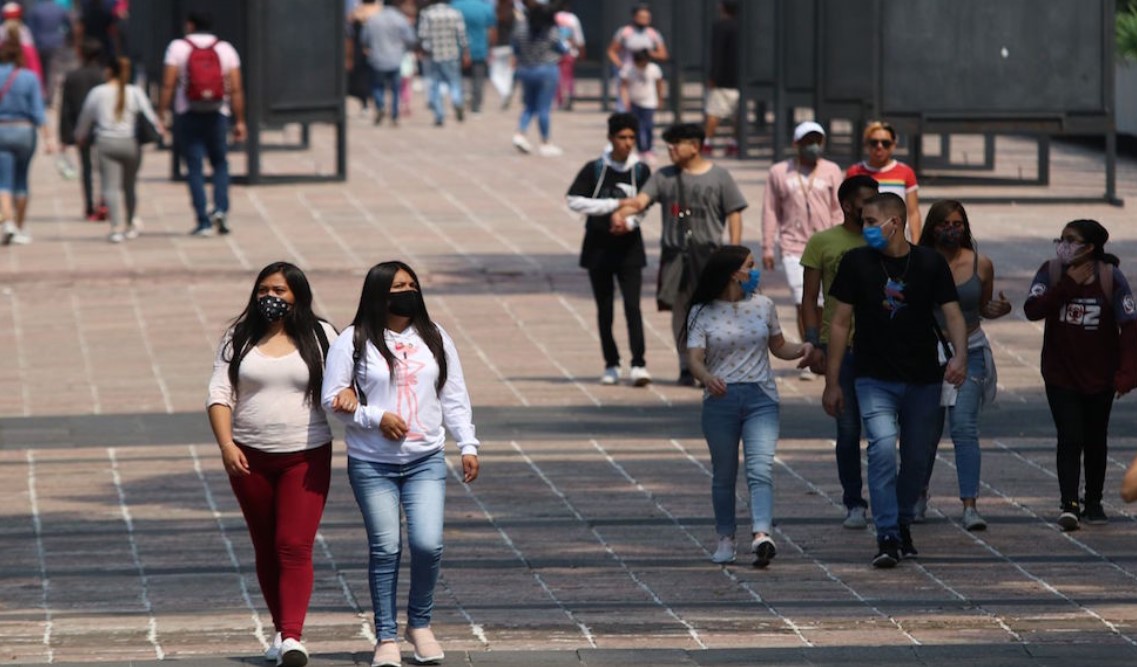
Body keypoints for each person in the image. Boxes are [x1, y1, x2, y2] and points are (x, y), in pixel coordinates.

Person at [322, 261, 480, 667]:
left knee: (428, 544)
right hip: (372, 464)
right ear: (378, 293)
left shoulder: (435, 336)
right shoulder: (354, 340)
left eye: (411, 285)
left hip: (426, 460)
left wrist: (467, 443)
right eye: (397, 287)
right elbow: (332, 400)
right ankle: (386, 636)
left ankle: (420, 624)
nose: (407, 292)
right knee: (386, 547)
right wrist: (375, 417)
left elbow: (454, 395)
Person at [822, 192, 967, 568]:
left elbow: (952, 313)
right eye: (864, 222)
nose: (866, 228)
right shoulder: (855, 262)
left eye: (872, 222)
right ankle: (886, 532)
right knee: (882, 449)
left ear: (895, 222)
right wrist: (832, 381)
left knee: (917, 459)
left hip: (923, 378)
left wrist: (961, 356)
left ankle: (902, 521)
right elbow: (839, 323)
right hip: (873, 377)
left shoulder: (929, 262)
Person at [207, 262, 339, 667]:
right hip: (250, 458)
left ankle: (293, 636)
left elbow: (346, 383)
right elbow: (219, 394)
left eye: (279, 291)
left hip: (307, 456)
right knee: (266, 546)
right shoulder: (238, 337)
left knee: (293, 544)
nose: (271, 297)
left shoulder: (321, 335)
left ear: (298, 295)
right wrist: (226, 445)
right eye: (264, 289)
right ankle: (282, 631)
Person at [685, 245, 813, 566]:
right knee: (724, 474)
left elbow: (779, 346)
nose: (755, 272)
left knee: (760, 469)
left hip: (761, 398)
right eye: (750, 266)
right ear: (734, 273)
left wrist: (804, 349)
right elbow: (695, 359)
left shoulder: (763, 305)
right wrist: (707, 378)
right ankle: (725, 538)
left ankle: (761, 534)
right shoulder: (702, 311)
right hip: (721, 400)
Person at [611, 122, 747, 386]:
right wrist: (620, 213)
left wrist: (735, 253)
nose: (671, 149)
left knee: (711, 311)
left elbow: (734, 213)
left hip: (709, 254)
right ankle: (686, 365)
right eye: (669, 144)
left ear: (694, 146)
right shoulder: (664, 177)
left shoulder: (720, 177)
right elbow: (640, 202)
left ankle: (708, 365)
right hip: (675, 255)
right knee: (681, 311)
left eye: (676, 144)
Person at [1024, 219, 1137, 531]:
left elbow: (1129, 327)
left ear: (1089, 247)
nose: (1064, 245)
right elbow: (1033, 309)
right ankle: (1069, 503)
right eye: (1061, 239)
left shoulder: (1110, 277)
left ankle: (1094, 501)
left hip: (1100, 376)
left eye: (1071, 240)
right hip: (1060, 374)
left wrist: (1128, 373)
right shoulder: (1050, 272)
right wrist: (1068, 286)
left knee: (1096, 438)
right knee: (1070, 436)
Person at [914, 201, 1012, 530]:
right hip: (927, 352)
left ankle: (970, 505)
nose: (951, 230)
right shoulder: (919, 261)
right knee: (925, 432)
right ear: (932, 228)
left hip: (970, 349)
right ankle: (917, 495)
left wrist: (997, 309)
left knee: (964, 428)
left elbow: (982, 306)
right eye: (944, 224)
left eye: (957, 224)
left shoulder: (981, 264)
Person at [800, 174, 879, 529]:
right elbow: (810, 298)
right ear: (847, 205)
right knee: (847, 431)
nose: (871, 207)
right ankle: (853, 501)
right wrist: (813, 341)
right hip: (839, 348)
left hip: (881, 347)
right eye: (865, 201)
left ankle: (888, 499)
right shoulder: (822, 242)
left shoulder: (884, 241)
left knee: (882, 432)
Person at [565, 112, 652, 387]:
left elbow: (645, 205)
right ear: (611, 138)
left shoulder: (641, 170)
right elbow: (573, 200)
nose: (627, 143)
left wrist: (629, 222)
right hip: (598, 247)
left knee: (632, 306)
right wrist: (613, 206)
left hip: (630, 248)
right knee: (605, 309)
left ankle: (638, 363)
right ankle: (611, 363)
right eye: (622, 137)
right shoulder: (595, 168)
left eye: (632, 137)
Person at [760, 121, 844, 363]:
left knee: (823, 301)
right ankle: (810, 349)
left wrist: (839, 241)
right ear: (796, 143)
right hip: (793, 246)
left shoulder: (831, 170)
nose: (813, 146)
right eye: (808, 141)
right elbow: (770, 210)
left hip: (826, 245)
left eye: (817, 141)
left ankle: (824, 348)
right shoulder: (779, 172)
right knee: (802, 299)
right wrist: (767, 246)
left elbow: (838, 208)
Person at [158, 10, 246, 237]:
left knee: (194, 167)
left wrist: (162, 113)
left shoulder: (178, 47)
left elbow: (168, 84)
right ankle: (220, 209)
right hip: (218, 112)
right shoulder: (225, 49)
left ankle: (203, 220)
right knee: (220, 163)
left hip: (187, 112)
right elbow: (236, 88)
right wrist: (240, 120)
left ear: (190, 25)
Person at [74, 56, 161, 243]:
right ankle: (131, 223)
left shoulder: (98, 93)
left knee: (110, 187)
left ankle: (116, 227)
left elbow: (85, 118)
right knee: (130, 186)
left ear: (108, 71)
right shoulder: (135, 92)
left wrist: (80, 135)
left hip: (106, 142)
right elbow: (151, 117)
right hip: (131, 143)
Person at [0, 25, 45, 247]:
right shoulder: (30, 77)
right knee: (22, 180)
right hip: (25, 131)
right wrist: (49, 136)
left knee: (3, 180)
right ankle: (19, 226)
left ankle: (8, 222)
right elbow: (38, 111)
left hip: (1, 130)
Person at [846, 121, 921, 241]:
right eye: (874, 142)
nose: (879, 146)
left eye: (885, 143)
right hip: (861, 239)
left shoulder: (906, 172)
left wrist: (916, 243)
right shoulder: (854, 172)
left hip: (896, 240)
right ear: (866, 144)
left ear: (893, 145)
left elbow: (913, 213)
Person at [509, 0, 565, 156]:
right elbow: (561, 48)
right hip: (546, 70)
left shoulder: (520, 28)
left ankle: (520, 134)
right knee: (543, 109)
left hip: (526, 69)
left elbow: (515, 48)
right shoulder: (551, 30)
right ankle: (545, 142)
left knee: (529, 106)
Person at [59, 36, 104, 221]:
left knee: (86, 168)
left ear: (80, 54)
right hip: (103, 127)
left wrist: (64, 136)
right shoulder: (104, 75)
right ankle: (104, 202)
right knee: (104, 168)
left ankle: (89, 206)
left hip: (81, 129)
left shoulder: (72, 77)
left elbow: (65, 108)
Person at [361, 0, 416, 127]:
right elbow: (411, 39)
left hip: (377, 59)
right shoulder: (400, 19)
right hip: (395, 58)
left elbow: (364, 39)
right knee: (395, 89)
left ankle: (380, 105)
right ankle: (394, 115)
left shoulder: (373, 19)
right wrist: (404, 48)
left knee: (377, 86)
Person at [606, 3, 666, 112]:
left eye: (647, 18)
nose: (644, 20)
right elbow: (611, 51)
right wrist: (620, 65)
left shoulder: (653, 34)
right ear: (634, 17)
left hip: (645, 72)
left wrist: (649, 54)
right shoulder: (625, 32)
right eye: (641, 17)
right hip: (628, 71)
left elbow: (663, 54)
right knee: (625, 102)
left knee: (645, 100)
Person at [418, 0, 470, 127]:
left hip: (434, 55)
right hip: (452, 54)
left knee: (435, 84)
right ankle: (457, 101)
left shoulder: (427, 13)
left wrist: (425, 50)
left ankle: (439, 115)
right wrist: (465, 52)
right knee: (454, 82)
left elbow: (422, 35)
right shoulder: (455, 13)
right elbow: (462, 36)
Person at [703, 0, 739, 155]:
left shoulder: (720, 26)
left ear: (722, 8)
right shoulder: (745, 27)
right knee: (738, 115)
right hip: (741, 80)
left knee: (714, 112)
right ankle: (734, 143)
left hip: (722, 79)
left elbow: (717, 53)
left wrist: (713, 76)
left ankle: (707, 142)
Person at [618, 49, 663, 163]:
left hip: (649, 101)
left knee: (648, 125)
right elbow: (623, 86)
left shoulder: (654, 69)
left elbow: (659, 85)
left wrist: (660, 99)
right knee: (636, 126)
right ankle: (641, 149)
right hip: (634, 101)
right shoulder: (628, 69)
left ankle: (648, 148)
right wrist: (625, 100)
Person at [452, 0, 495, 115]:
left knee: (460, 77)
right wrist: (491, 47)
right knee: (478, 80)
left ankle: (462, 98)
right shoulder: (486, 8)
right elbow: (491, 30)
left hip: (458, 49)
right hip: (480, 48)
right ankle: (476, 107)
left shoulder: (454, 6)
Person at [28, 0, 72, 108]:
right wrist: (64, 36)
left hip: (39, 44)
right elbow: (68, 25)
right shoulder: (60, 9)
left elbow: (31, 29)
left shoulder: (36, 9)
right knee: (52, 71)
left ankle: (40, 95)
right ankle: (50, 98)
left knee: (40, 70)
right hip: (56, 43)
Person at [346, 0, 382, 116]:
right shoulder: (379, 12)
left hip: (360, 50)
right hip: (374, 50)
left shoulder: (356, 13)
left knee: (361, 79)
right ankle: (374, 104)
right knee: (373, 79)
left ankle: (366, 104)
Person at [553, 0, 583, 110]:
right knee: (568, 76)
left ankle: (559, 100)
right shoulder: (572, 18)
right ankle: (569, 97)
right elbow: (578, 36)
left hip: (554, 52)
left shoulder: (552, 17)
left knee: (557, 77)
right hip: (569, 51)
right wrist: (581, 51)